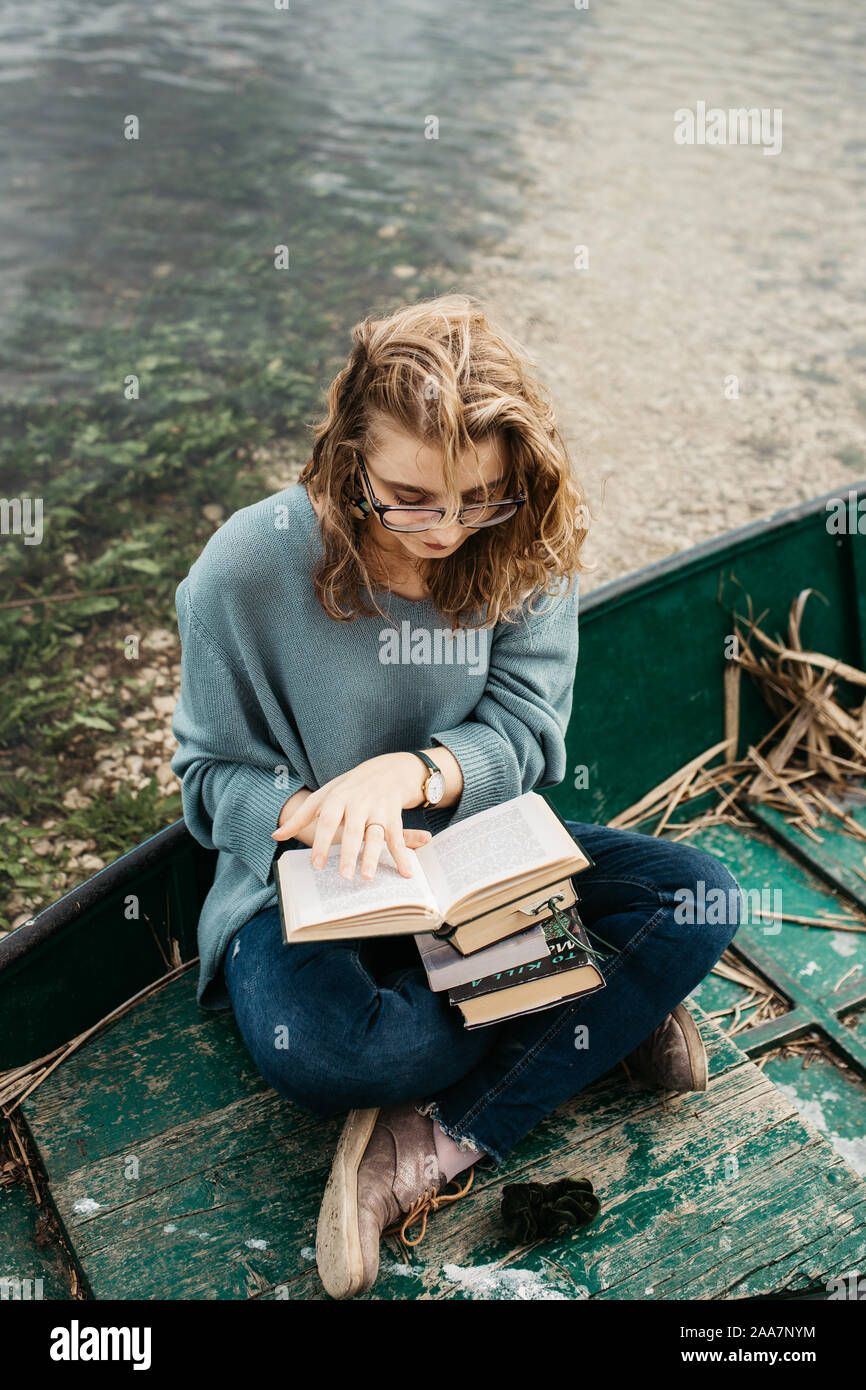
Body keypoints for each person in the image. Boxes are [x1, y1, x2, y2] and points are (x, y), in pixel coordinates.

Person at [170, 292, 742, 1301]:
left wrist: (414, 774)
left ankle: (426, 1145)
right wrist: (311, 812)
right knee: (345, 1053)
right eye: (410, 497)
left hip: (477, 854)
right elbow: (208, 777)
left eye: (477, 496)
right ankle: (591, 1008)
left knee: (699, 899)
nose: (444, 529)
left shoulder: (522, 536)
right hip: (303, 884)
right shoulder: (242, 569)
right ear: (347, 454)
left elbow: (525, 728)